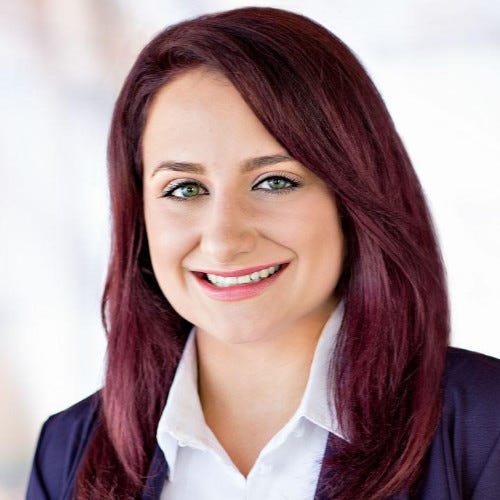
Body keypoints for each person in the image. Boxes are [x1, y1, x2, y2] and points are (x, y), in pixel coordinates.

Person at [27, 6, 500, 500]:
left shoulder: (486, 428)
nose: (224, 239)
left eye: (274, 181)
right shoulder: (66, 452)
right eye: (184, 189)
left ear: (353, 198)